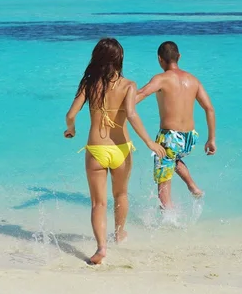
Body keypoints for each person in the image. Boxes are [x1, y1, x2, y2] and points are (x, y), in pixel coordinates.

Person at [64, 38, 165, 264]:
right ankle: (119, 234)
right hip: (121, 148)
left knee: (98, 203)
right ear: (120, 59)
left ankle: (101, 248)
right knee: (120, 194)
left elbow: (71, 114)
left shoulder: (89, 84)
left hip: (97, 149)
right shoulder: (128, 85)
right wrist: (149, 141)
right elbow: (131, 114)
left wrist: (70, 129)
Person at [136, 41, 216, 210]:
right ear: (179, 57)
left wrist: (118, 105)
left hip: (170, 136)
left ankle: (169, 219)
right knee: (173, 158)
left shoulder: (161, 79)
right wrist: (211, 139)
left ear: (159, 59)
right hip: (190, 137)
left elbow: (141, 94)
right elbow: (209, 108)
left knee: (163, 182)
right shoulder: (193, 80)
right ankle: (192, 186)